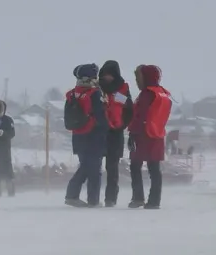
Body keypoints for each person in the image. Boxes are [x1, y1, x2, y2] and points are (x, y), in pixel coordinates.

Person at [128, 64, 172, 209]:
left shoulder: (147, 94)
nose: (136, 81)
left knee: (135, 166)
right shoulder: (163, 93)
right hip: (157, 134)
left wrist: (132, 134)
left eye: (138, 77)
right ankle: (154, 200)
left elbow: (139, 116)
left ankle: (138, 197)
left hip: (142, 134)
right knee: (154, 168)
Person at [64, 65, 105, 208]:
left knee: (86, 166)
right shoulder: (95, 93)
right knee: (93, 169)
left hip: (78, 136)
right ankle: (89, 199)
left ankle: (74, 195)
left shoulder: (72, 94)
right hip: (94, 136)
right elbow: (101, 116)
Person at [97, 61, 135, 207]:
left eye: (110, 75)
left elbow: (129, 108)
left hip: (116, 132)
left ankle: (110, 198)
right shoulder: (97, 88)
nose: (107, 78)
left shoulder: (122, 89)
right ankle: (93, 197)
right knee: (94, 166)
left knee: (112, 168)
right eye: (105, 75)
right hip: (99, 132)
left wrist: (122, 125)